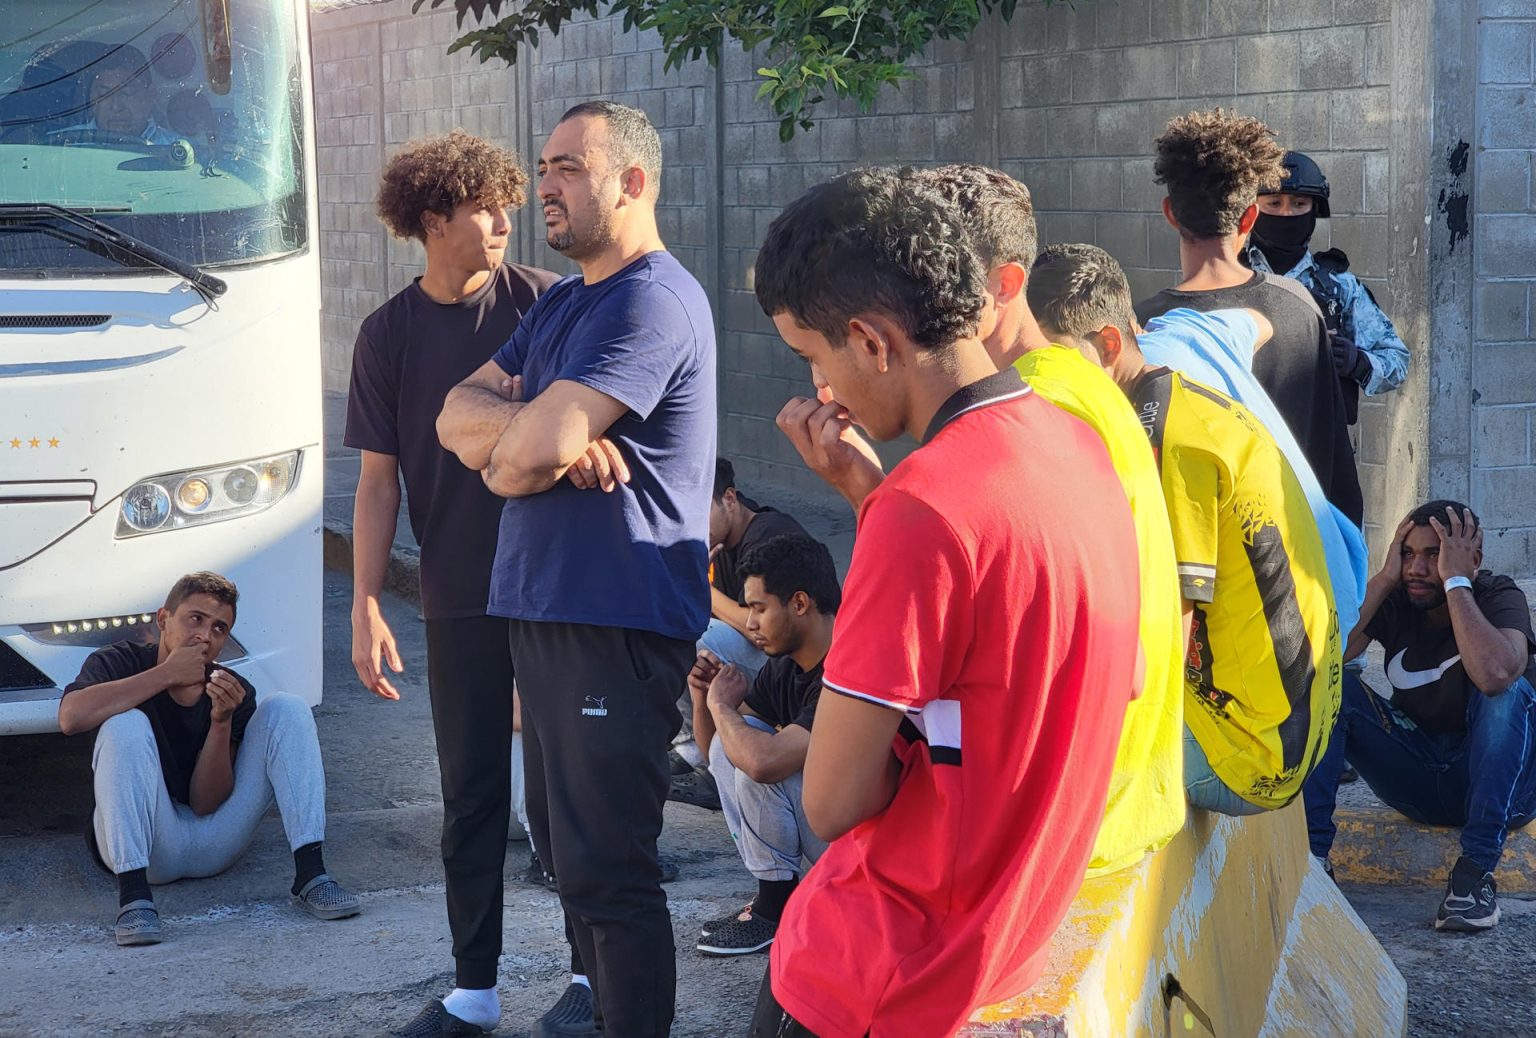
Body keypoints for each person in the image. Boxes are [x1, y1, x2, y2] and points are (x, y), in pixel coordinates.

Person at [752, 167, 1142, 1038]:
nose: (821, 392)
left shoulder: (921, 508)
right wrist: (871, 500)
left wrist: (882, 512)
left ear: (871, 339)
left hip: (882, 974)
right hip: (1013, 943)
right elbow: (1111, 677)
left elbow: (832, 801)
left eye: (814, 359)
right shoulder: (1078, 442)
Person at [436, 100, 715, 1038]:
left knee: (609, 868)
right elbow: (452, 415)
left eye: (567, 168)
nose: (543, 186)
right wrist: (539, 433)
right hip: (544, 609)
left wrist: (534, 438)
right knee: (563, 853)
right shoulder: (562, 300)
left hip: (616, 617)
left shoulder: (653, 301)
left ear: (631, 182)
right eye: (544, 166)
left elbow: (512, 458)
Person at [344, 131, 567, 1038]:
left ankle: (592, 981)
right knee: (471, 796)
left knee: (563, 794)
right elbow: (377, 481)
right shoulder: (387, 334)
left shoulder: (548, 304)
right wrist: (364, 600)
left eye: (508, 202)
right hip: (458, 596)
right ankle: (474, 993)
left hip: (555, 589)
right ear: (434, 222)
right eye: (486, 208)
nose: (507, 221)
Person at [916, 162, 1186, 877]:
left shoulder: (1032, 409)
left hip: (1089, 802)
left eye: (937, 280)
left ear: (1005, 286)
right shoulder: (1071, 384)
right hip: (1129, 784)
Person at [1029, 243, 1342, 818]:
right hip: (1302, 723)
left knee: (1023, 756)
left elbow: (1165, 630)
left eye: (1051, 364)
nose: (1038, 386)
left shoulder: (1164, 441)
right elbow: (1255, 321)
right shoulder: (1185, 395)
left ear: (1109, 343)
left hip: (1254, 753)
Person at [58, 572, 359, 947]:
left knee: (288, 707)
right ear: (164, 619)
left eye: (219, 628)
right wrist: (166, 674)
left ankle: (312, 873)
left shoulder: (229, 689)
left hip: (212, 844)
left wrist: (221, 721)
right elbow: (71, 718)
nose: (205, 635)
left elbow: (207, 803)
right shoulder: (119, 661)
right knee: (125, 724)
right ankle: (133, 898)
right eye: (195, 619)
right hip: (147, 849)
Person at [1303, 502, 1536, 931]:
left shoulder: (1499, 596)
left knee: (1506, 693)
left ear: (1473, 559)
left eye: (1433, 554)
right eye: (1409, 553)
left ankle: (1473, 878)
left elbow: (1495, 673)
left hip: (1500, 789)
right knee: (1333, 682)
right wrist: (1386, 576)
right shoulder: (1399, 600)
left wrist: (1456, 583)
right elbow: (1327, 656)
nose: (1417, 567)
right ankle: (1313, 862)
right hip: (1421, 778)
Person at [1135, 109, 1363, 528]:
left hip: (1190, 571)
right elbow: (1336, 468)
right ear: (1249, 217)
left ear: (1170, 213)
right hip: (1299, 561)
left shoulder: (1143, 326)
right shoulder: (1298, 306)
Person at [685, 533, 838, 957]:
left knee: (760, 759)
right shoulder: (786, 667)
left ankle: (774, 908)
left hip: (878, 851)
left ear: (800, 603)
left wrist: (721, 703)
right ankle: (777, 899)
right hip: (834, 832)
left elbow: (762, 764)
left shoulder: (846, 666)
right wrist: (705, 698)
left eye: (758, 608)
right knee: (737, 744)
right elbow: (718, 754)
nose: (749, 623)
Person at [671, 459, 810, 780]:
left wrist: (700, 589)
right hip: (765, 664)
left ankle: (700, 756)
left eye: (699, 510)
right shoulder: (714, 539)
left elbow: (762, 626)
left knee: (695, 636)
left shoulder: (770, 533)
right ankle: (698, 748)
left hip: (799, 668)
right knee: (675, 627)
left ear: (730, 500)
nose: (691, 524)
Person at [1247, 150, 1410, 424]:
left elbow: (1397, 361)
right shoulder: (1229, 278)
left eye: (1299, 204)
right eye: (1274, 203)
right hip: (1245, 441)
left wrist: (1358, 362)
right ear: (1252, 210)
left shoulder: (1338, 288)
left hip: (1320, 448)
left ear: (1314, 211)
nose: (1287, 213)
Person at [56, 45, 179, 145]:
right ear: (91, 97)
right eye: (104, 94)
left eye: (127, 92)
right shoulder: (59, 146)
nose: (116, 106)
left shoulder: (185, 156)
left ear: (151, 95)